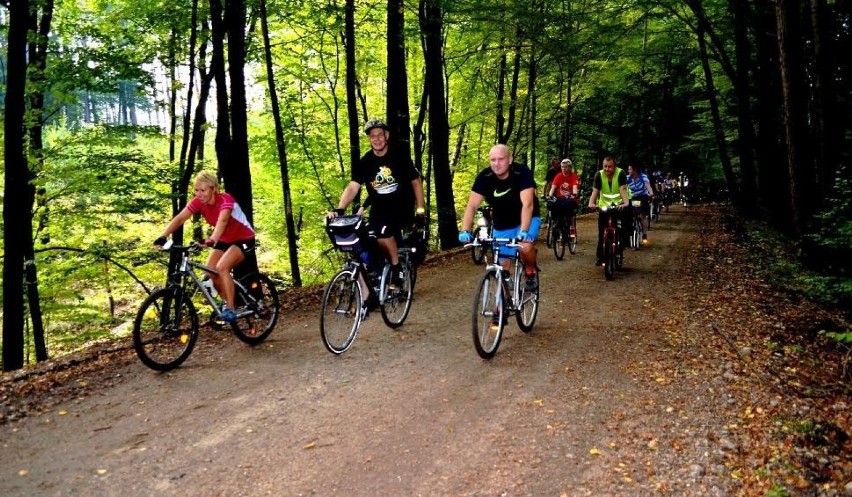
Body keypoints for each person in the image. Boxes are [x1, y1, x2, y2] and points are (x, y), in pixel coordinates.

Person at [327, 118, 426, 308]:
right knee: (364, 240)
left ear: (386, 136)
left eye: (380, 135)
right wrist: (340, 209)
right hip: (379, 209)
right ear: (369, 139)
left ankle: (396, 269)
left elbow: (416, 182)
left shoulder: (399, 156)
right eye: (373, 136)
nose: (377, 139)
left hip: (401, 207)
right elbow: (353, 187)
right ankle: (373, 286)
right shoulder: (365, 162)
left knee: (383, 232)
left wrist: (420, 211)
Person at [153, 171, 255, 322]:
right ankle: (226, 301)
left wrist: (210, 241)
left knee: (222, 267)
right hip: (224, 240)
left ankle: (231, 309)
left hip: (243, 238)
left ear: (213, 189)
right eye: (196, 190)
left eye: (203, 190)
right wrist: (163, 236)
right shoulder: (198, 202)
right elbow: (180, 218)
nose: (199, 194)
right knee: (210, 272)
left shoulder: (226, 200)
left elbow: (223, 222)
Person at [458, 144, 540, 291]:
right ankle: (500, 309)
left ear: (510, 159)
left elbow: (527, 204)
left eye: (501, 159)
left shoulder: (521, 173)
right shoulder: (485, 177)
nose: (496, 164)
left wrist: (524, 231)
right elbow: (471, 205)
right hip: (503, 222)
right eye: (493, 160)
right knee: (501, 267)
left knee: (525, 247)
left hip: (526, 218)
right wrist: (465, 230)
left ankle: (530, 271)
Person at [586, 156, 630, 266]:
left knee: (624, 227)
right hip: (604, 206)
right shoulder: (599, 175)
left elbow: (623, 189)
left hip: (619, 204)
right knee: (602, 231)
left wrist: (625, 203)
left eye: (610, 167)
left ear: (615, 167)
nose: (607, 169)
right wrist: (591, 203)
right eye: (605, 166)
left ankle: (622, 244)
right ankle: (600, 256)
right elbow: (595, 191)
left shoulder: (621, 173)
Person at [547, 158, 581, 230]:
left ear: (570, 168)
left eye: (566, 167)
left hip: (570, 199)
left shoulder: (573, 176)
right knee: (553, 206)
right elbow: (553, 187)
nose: (564, 169)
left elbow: (575, 186)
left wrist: (574, 194)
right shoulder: (558, 176)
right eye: (562, 167)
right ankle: (555, 223)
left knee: (568, 209)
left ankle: (571, 226)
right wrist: (550, 195)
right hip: (560, 199)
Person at [626, 162, 654, 244]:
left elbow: (648, 187)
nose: (628, 171)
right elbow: (622, 187)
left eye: (630, 169)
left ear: (635, 170)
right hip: (633, 198)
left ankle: (644, 234)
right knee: (629, 214)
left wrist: (651, 193)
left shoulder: (643, 177)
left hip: (643, 197)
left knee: (642, 215)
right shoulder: (627, 178)